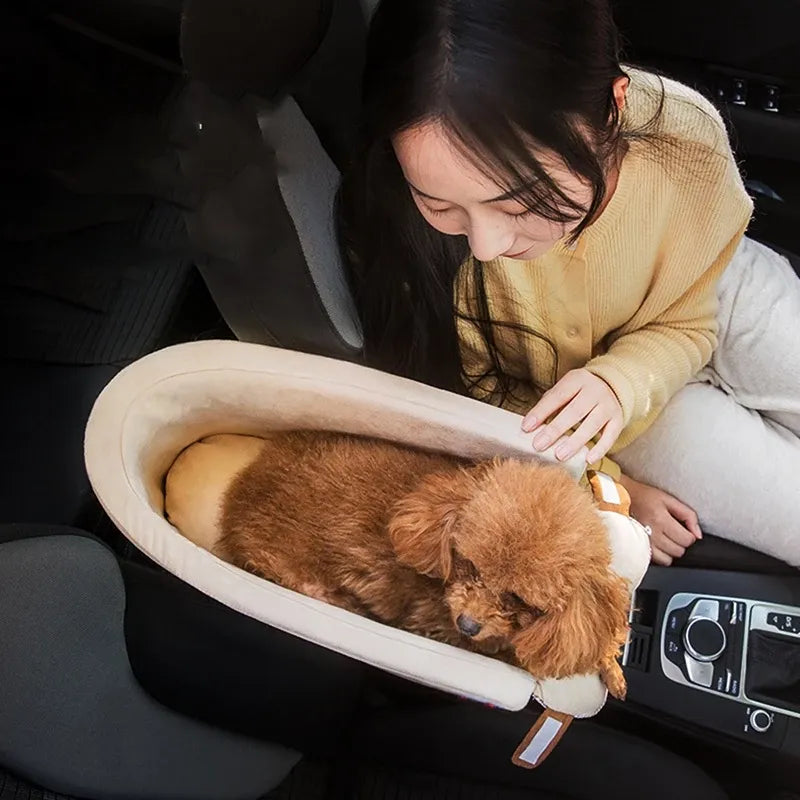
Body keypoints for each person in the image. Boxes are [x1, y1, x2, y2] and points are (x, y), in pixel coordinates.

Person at [336, 0, 800, 567]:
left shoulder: (686, 144)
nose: (485, 247)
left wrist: (631, 372)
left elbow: (690, 316)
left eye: (524, 202)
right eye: (440, 204)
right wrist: (612, 487)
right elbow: (493, 418)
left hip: (710, 297)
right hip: (600, 415)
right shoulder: (422, 256)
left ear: (613, 108)